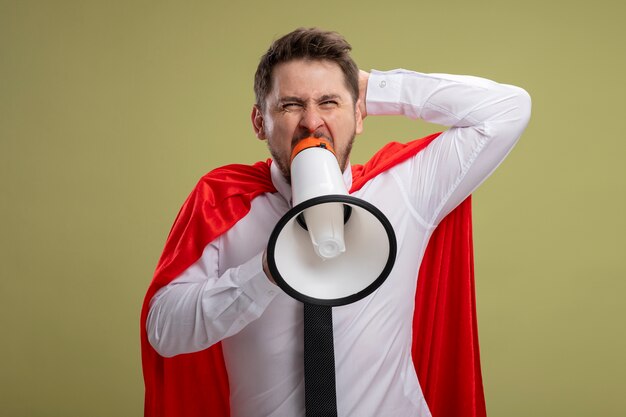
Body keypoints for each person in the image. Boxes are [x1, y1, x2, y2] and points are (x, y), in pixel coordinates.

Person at [141, 27, 531, 417]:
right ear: (260, 122)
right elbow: (163, 331)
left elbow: (507, 109)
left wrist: (374, 87)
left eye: (329, 102)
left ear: (358, 114)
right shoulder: (223, 203)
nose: (313, 122)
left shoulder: (406, 188)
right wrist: (265, 273)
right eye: (290, 105)